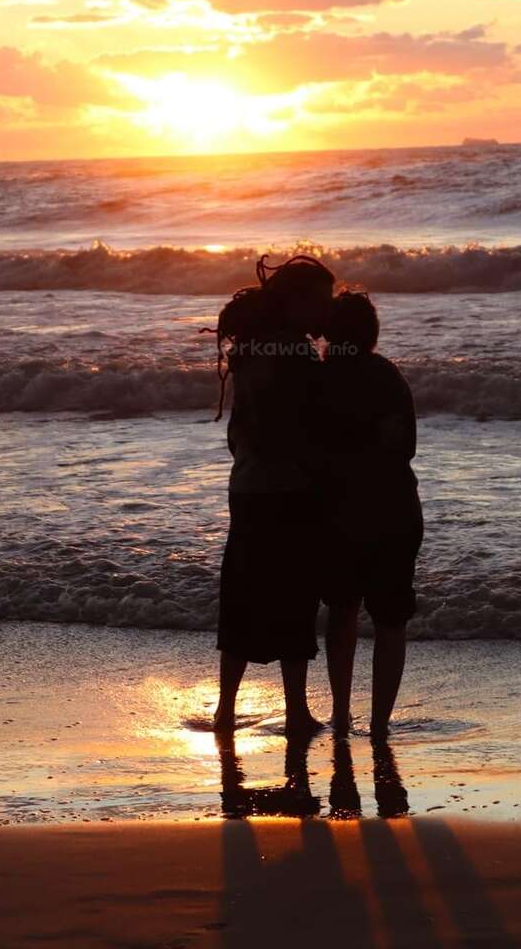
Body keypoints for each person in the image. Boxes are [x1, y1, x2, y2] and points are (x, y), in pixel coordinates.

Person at [210, 254, 335, 738]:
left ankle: (225, 710)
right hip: (289, 489)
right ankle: (296, 711)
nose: (327, 313)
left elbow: (242, 432)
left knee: (243, 593)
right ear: (298, 303)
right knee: (294, 597)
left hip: (247, 488)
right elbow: (307, 428)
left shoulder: (251, 350)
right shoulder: (296, 355)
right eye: (321, 302)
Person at [319, 290, 423, 740]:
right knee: (390, 620)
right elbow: (406, 448)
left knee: (342, 612)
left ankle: (341, 716)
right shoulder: (387, 377)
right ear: (371, 334)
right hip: (394, 508)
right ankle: (379, 724)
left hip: (340, 512)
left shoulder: (319, 381)